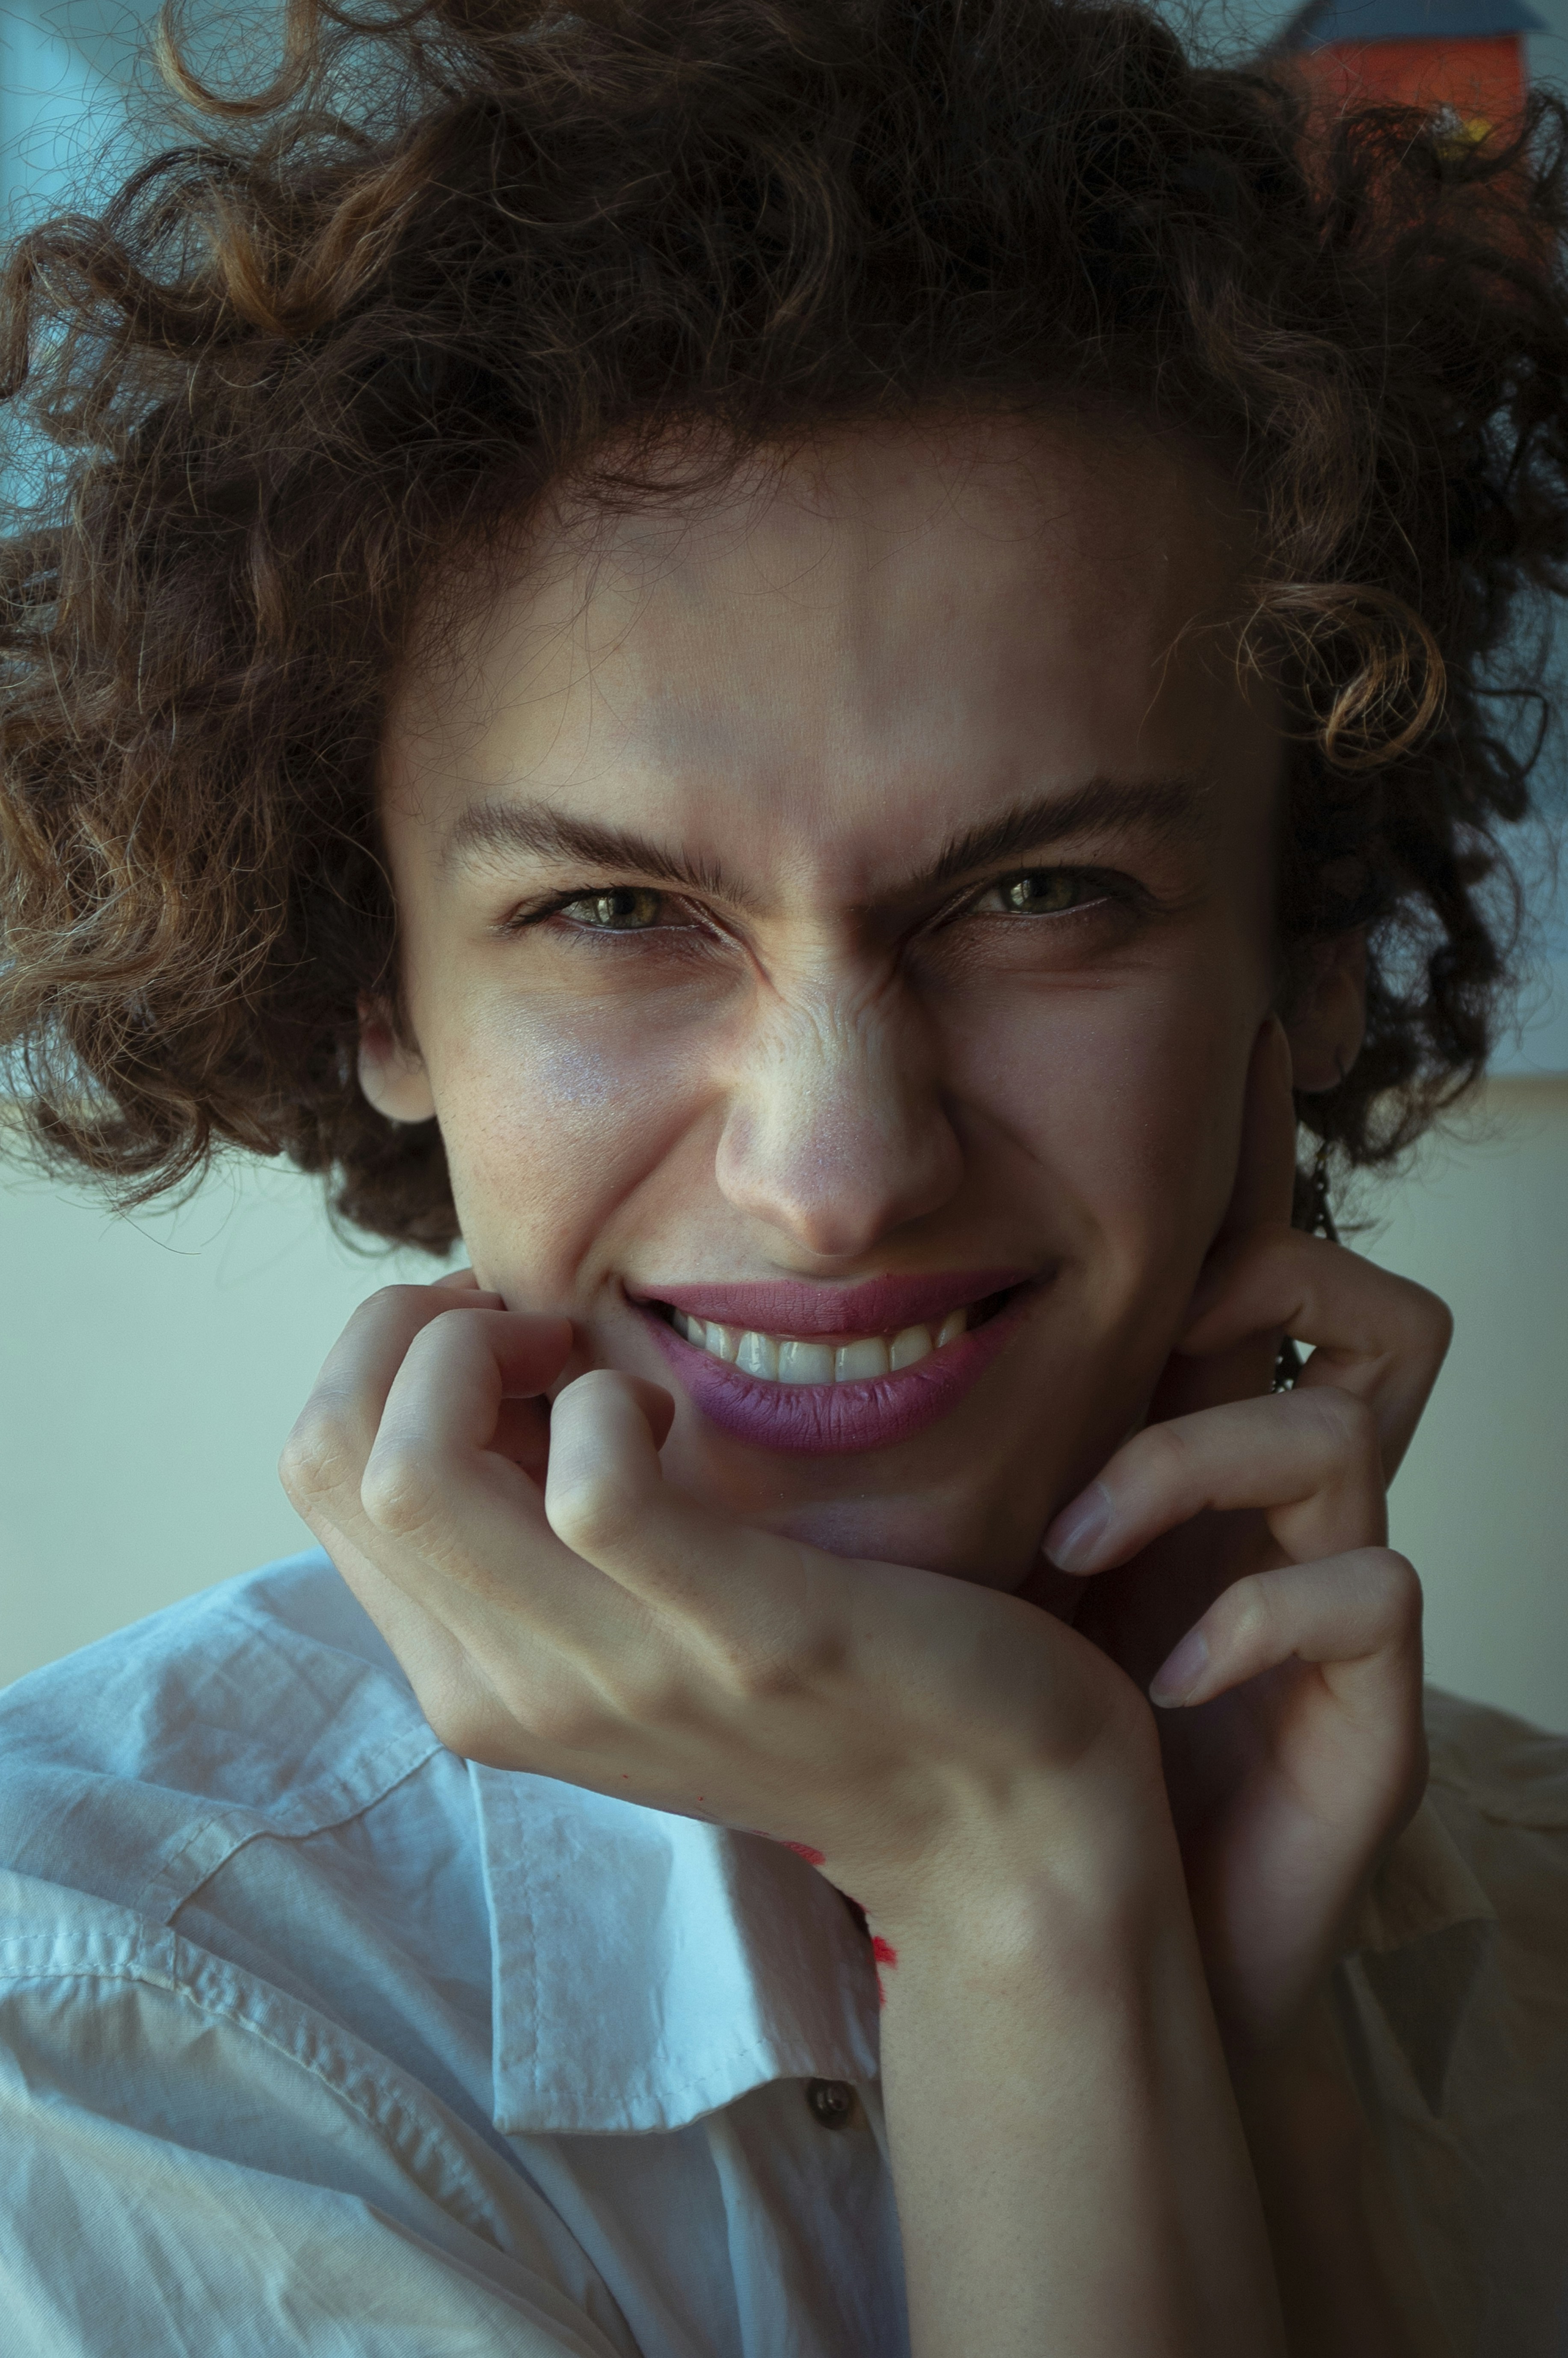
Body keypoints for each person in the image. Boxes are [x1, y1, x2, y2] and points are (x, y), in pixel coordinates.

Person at [2, 0, 1566, 2349]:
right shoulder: (108, 2028)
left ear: (1312, 949)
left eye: (1037, 894)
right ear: (379, 992)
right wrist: (1005, 1863)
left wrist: (1261, 2066)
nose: (835, 1174)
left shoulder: (1525, 1893)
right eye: (614, 911)